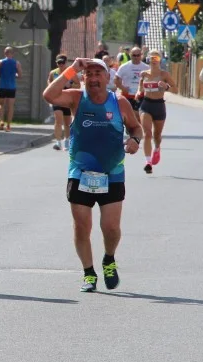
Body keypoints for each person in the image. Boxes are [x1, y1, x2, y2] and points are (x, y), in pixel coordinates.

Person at [43, 57, 142, 292]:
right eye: (90, 74)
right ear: (84, 78)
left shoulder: (119, 103)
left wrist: (135, 140)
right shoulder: (77, 98)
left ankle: (109, 258)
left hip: (112, 172)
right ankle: (88, 273)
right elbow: (49, 95)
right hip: (80, 172)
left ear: (108, 78)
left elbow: (136, 127)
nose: (94, 78)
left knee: (110, 227)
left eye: (99, 73)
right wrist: (72, 69)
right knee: (81, 225)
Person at [136, 49, 175, 174]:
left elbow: (176, 89)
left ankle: (157, 148)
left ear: (160, 60)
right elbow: (140, 87)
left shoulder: (165, 74)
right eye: (152, 58)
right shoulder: (144, 74)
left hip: (159, 105)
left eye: (156, 59)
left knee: (157, 135)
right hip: (146, 105)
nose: (154, 61)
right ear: (148, 60)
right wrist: (138, 92)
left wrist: (166, 87)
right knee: (147, 133)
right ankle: (148, 162)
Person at [48, 54, 76, 151]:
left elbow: (78, 84)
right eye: (59, 63)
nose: (60, 65)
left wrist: (70, 85)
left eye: (62, 63)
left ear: (66, 63)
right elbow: (49, 83)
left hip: (66, 99)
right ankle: (58, 141)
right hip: (56, 98)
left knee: (67, 122)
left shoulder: (69, 72)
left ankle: (67, 141)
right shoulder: (54, 72)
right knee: (58, 119)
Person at [0, 46, 22, 131]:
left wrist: (2, 75)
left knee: (0, 105)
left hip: (2, 86)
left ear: (5, 53)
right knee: (10, 107)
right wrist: (15, 75)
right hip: (12, 87)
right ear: (12, 54)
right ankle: (8, 125)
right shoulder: (17, 63)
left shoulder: (0, 62)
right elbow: (20, 75)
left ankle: (1, 121)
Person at [114, 46, 148, 113]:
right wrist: (122, 88)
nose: (136, 57)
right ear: (130, 55)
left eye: (138, 55)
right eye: (134, 55)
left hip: (141, 96)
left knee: (139, 116)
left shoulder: (146, 67)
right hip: (127, 95)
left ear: (141, 55)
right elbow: (116, 79)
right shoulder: (124, 66)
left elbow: (151, 80)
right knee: (127, 116)